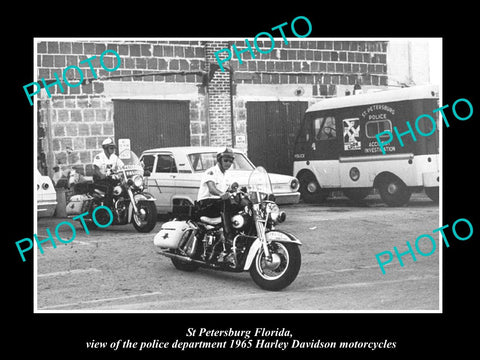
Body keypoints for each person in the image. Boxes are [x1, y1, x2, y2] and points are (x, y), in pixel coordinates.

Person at [196, 147, 236, 242]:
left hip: (217, 203)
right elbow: (212, 189)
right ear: (219, 159)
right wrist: (221, 194)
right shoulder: (211, 172)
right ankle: (228, 236)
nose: (228, 163)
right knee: (226, 203)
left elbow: (227, 191)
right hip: (205, 204)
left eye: (231, 161)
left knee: (239, 205)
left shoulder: (226, 175)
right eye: (225, 160)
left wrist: (233, 189)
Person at [92, 138, 124, 207]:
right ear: (105, 148)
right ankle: (108, 208)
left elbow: (123, 166)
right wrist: (101, 175)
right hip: (100, 180)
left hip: (110, 179)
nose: (113, 150)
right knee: (109, 188)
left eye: (114, 148)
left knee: (122, 186)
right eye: (111, 148)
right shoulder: (99, 157)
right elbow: (96, 168)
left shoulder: (114, 157)